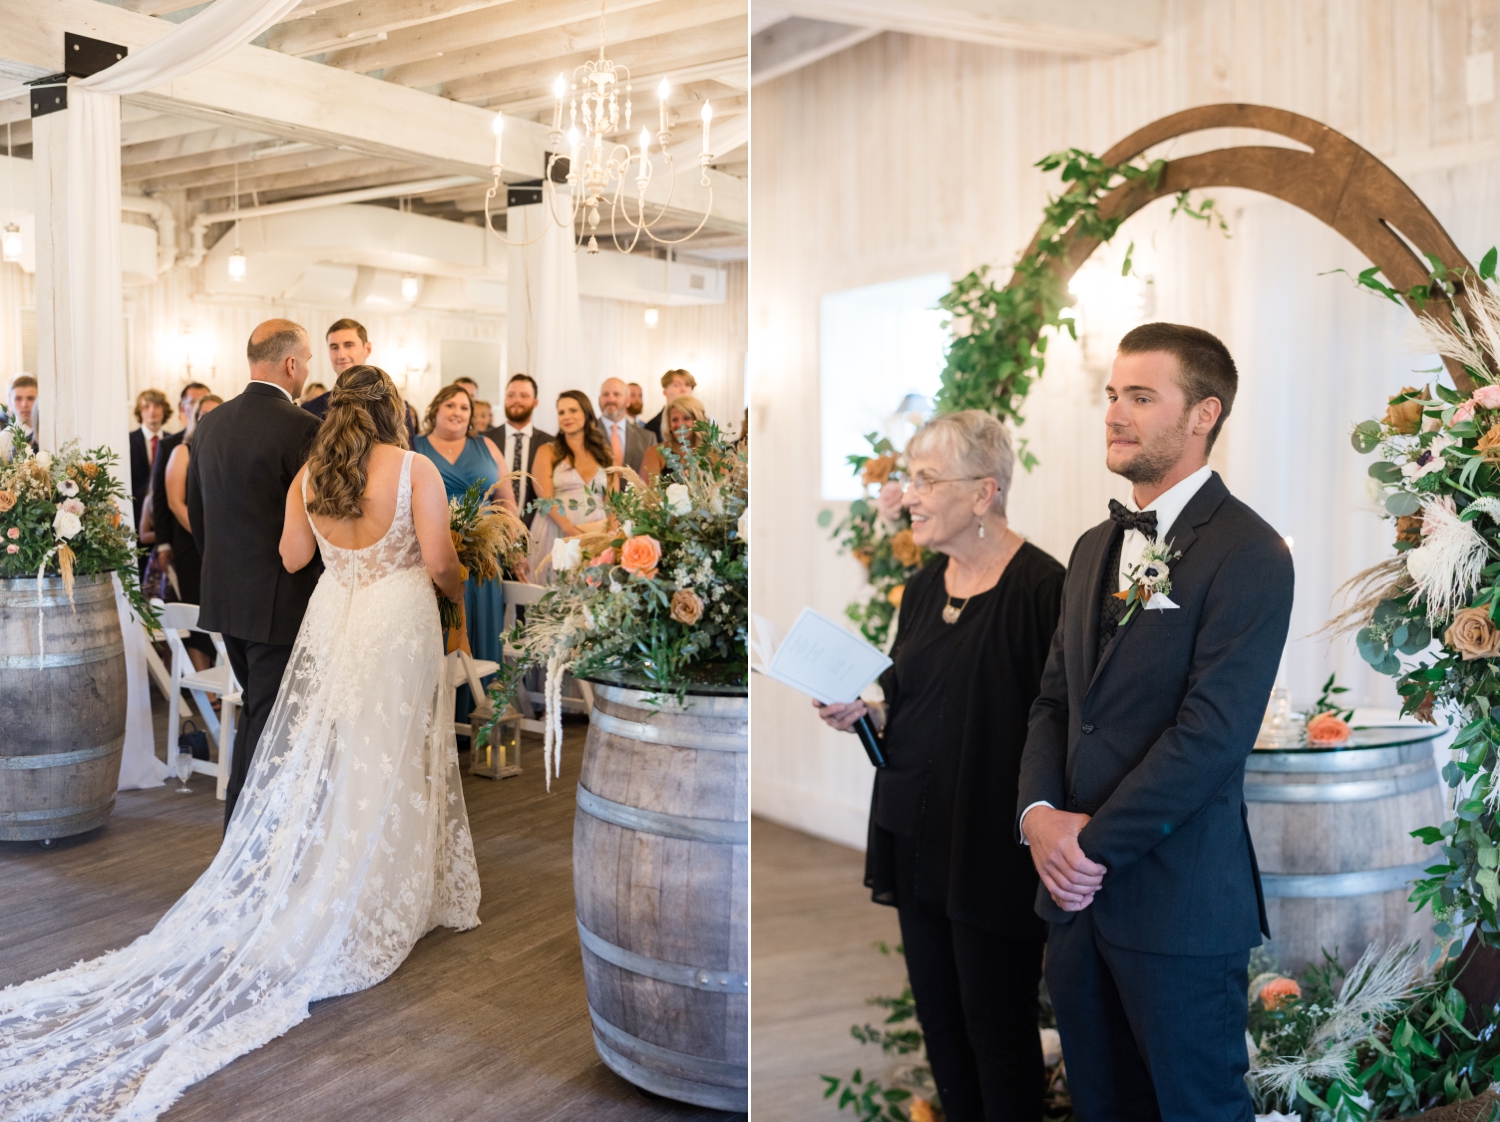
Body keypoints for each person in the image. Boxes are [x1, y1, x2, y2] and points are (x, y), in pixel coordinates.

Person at [0, 364, 480, 1121]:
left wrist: (345, 555)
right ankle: (379, 894)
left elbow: (292, 557)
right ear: (395, 411)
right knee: (393, 756)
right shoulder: (416, 469)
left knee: (332, 755)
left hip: (334, 616)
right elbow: (444, 562)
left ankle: (326, 882)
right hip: (395, 621)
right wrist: (454, 583)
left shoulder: (313, 474)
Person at [1016, 323, 1294, 1121]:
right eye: (1112, 395)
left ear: (1203, 414)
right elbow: (1055, 703)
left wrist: (1084, 847)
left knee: (1197, 1108)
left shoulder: (1250, 552)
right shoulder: (1089, 546)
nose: (1115, 413)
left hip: (1177, 904)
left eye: (1141, 396)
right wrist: (1037, 819)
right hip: (1073, 905)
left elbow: (1210, 737)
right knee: (1101, 1107)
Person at [816, 412, 1062, 1121]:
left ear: (985, 492)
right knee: (943, 1027)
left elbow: (1058, 727)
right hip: (916, 833)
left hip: (990, 848)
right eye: (909, 479)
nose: (910, 495)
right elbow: (911, 701)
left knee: (998, 1029)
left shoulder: (1043, 589)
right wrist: (867, 713)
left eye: (927, 479)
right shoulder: (925, 586)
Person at [187, 319, 322, 829]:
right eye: (307, 361)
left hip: (226, 601)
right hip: (282, 602)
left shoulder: (210, 424)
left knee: (259, 711)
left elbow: (199, 517)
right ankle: (241, 838)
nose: (308, 371)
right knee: (269, 720)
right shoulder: (303, 428)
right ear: (291, 364)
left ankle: (260, 830)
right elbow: (313, 522)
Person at [413, 383, 518, 671]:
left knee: (479, 625)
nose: (457, 412)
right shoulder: (414, 446)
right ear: (435, 409)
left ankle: (478, 705)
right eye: (450, 405)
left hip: (481, 558)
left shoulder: (486, 446)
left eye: (464, 407)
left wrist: (510, 540)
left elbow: (507, 500)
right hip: (430, 554)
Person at [161, 394, 224, 671]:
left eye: (216, 414)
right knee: (197, 611)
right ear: (195, 417)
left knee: (217, 612)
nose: (209, 419)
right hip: (192, 544)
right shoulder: (182, 451)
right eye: (203, 414)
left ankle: (219, 680)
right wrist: (205, 535)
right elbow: (175, 503)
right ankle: (207, 691)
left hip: (219, 545)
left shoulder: (224, 450)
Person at [527, 390, 616, 582]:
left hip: (597, 534)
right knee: (556, 591)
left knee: (592, 593)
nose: (566, 416)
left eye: (573, 410)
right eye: (561, 412)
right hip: (557, 532)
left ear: (586, 413)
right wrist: (570, 531)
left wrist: (610, 535)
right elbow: (545, 498)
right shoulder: (547, 451)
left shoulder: (605, 453)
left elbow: (613, 500)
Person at [147, 382, 211, 569]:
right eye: (194, 402)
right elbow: (160, 496)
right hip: (183, 536)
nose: (200, 405)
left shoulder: (224, 443)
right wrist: (164, 543)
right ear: (183, 408)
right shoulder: (170, 444)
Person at [486, 372, 553, 528]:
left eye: (524, 395)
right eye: (511, 395)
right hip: (489, 529)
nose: (516, 400)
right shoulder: (485, 440)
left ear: (535, 402)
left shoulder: (550, 443)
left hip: (535, 529)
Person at [129, 389, 171, 541]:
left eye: (157, 406)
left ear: (164, 409)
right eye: (146, 406)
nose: (152, 411)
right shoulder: (127, 442)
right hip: (135, 516)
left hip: (168, 515)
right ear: (139, 411)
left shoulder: (174, 441)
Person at [640, 393, 708, 482]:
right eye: (675, 419)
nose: (680, 425)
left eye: (686, 418)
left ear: (698, 420)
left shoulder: (713, 454)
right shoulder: (655, 453)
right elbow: (646, 492)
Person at [597, 376, 655, 473]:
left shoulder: (648, 439)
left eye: (617, 394)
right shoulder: (585, 433)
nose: (611, 399)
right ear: (599, 400)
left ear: (628, 401)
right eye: (605, 394)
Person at [643, 368, 697, 440]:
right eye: (676, 385)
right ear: (665, 391)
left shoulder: (706, 421)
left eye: (687, 385)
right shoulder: (652, 426)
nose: (683, 389)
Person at [1, 373, 38, 451]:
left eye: (30, 398)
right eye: (18, 399)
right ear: (11, 401)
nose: (24, 404)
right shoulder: (3, 440)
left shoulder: (50, 434)